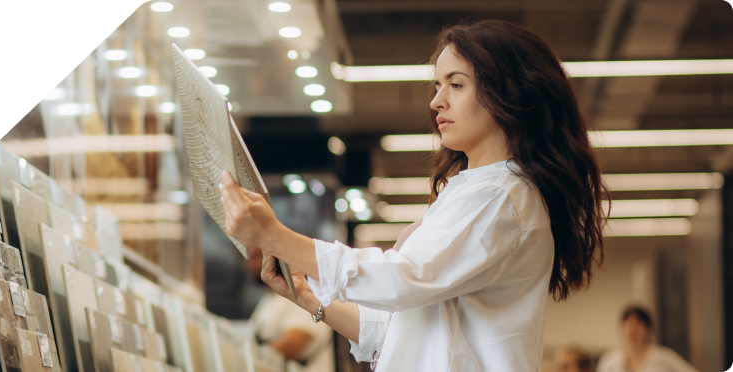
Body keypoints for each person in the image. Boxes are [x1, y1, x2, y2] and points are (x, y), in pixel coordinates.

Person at [219, 19, 609, 371]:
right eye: (438, 86)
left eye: (456, 84)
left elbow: (404, 279)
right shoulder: (478, 190)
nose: (436, 101)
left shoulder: (503, 197)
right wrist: (310, 299)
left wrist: (277, 237)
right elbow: (408, 330)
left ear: (509, 93)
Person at [245, 246, 335, 372]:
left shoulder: (302, 296)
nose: (249, 264)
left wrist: (247, 361)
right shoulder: (269, 300)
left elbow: (292, 345)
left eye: (255, 257)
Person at [596, 306, 699, 372]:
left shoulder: (664, 357)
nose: (633, 329)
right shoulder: (609, 362)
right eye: (629, 324)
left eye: (638, 324)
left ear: (648, 329)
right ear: (622, 328)